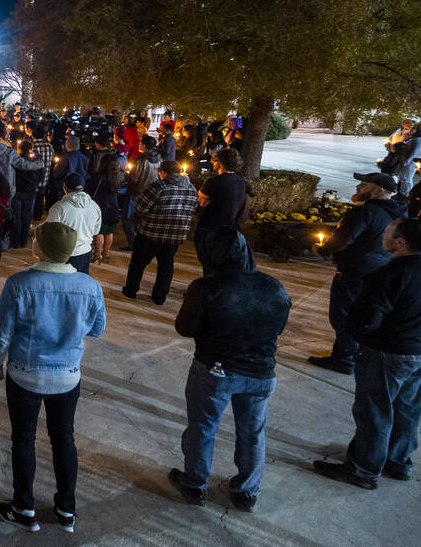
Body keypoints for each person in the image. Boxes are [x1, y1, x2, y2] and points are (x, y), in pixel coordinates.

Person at [0, 222, 106, 533]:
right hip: (67, 376)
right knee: (63, 438)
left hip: (25, 374)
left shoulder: (18, 283)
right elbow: (97, 328)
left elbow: (3, 331)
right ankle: (66, 510)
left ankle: (23, 507)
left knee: (23, 439)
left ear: (39, 248)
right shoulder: (89, 286)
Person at [169, 227, 291, 512]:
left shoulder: (206, 287)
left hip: (216, 370)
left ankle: (195, 483)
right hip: (260, 372)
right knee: (253, 432)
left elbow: (184, 327)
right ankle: (246, 490)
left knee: (202, 428)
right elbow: (279, 327)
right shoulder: (273, 286)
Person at [313, 217, 421, 488]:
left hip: (387, 351)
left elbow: (366, 317)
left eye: (387, 232)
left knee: (374, 411)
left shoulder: (389, 274)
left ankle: (363, 469)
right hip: (416, 352)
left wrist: (360, 336)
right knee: (407, 408)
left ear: (401, 242)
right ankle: (397, 461)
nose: (382, 236)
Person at [309, 172, 407, 374]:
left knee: (343, 315)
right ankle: (360, 354)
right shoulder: (400, 213)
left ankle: (343, 358)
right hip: (382, 271)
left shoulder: (364, 212)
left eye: (364, 184)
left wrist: (322, 250)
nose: (358, 187)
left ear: (378, 190)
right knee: (367, 315)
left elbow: (342, 240)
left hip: (355, 272)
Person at [122, 161, 199, 304]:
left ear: (163, 172)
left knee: (138, 264)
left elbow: (140, 207)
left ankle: (131, 290)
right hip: (175, 235)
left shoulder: (158, 187)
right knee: (166, 266)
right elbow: (194, 206)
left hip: (150, 233)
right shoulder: (192, 189)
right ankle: (159, 296)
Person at [194, 148, 251, 275]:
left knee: (208, 261)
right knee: (220, 262)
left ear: (219, 163)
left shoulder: (213, 182)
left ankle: (207, 290)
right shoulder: (240, 181)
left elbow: (202, 202)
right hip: (229, 228)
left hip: (210, 227)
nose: (213, 163)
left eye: (214, 161)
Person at [45, 173, 102, 274]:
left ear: (65, 187)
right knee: (79, 285)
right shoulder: (95, 206)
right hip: (85, 253)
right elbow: (96, 231)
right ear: (82, 188)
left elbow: (48, 232)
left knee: (62, 285)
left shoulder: (59, 207)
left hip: (64, 253)